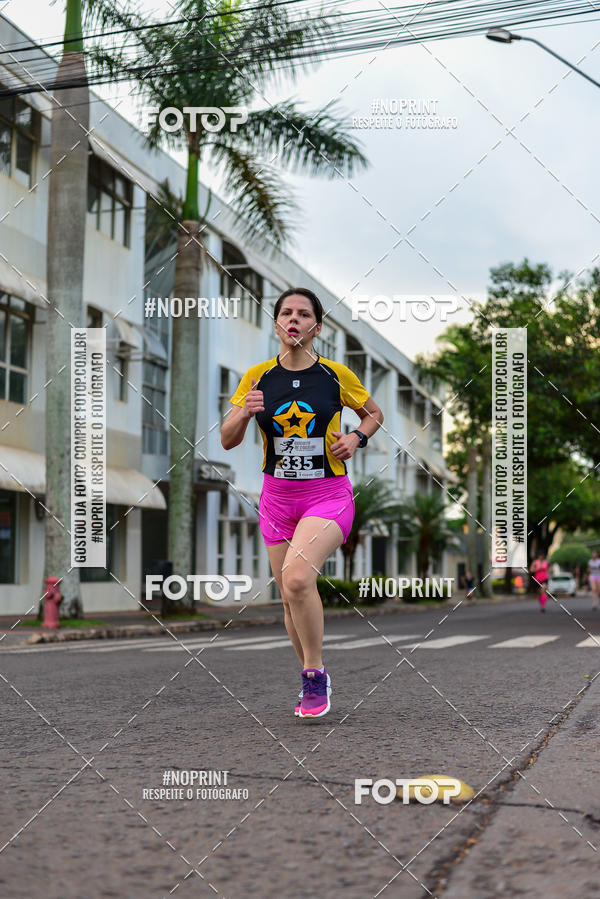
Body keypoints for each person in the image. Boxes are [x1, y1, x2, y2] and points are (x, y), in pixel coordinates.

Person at [221, 288, 384, 718]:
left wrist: (356, 437)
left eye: (304, 314)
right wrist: (242, 411)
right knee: (289, 595)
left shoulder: (335, 375)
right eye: (286, 313)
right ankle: (313, 678)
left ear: (317, 327)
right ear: (276, 323)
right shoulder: (256, 377)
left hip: (328, 493)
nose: (294, 320)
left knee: (296, 578)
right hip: (276, 497)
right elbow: (227, 438)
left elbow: (374, 413)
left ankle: (314, 678)